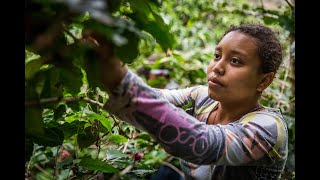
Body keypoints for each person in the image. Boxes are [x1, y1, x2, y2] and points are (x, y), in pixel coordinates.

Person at [88, 23, 288, 179]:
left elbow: (203, 143)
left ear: (263, 81)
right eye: (217, 55)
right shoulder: (200, 97)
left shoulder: (268, 129)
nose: (217, 67)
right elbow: (155, 97)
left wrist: (120, 80)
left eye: (235, 61)